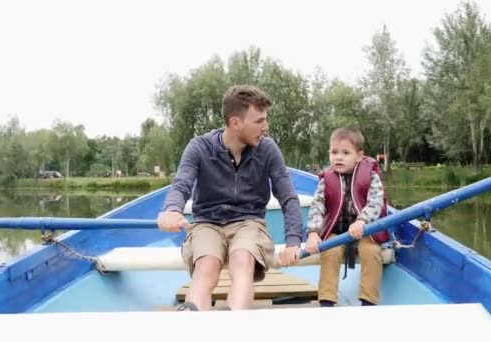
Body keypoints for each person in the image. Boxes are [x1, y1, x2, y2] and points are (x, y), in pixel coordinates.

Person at [157, 85, 303, 311]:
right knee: (206, 265)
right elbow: (182, 184)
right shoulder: (200, 147)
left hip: (249, 222)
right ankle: (191, 318)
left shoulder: (268, 149)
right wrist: (172, 210)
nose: (266, 127)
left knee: (242, 259)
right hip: (207, 223)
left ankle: (235, 322)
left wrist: (294, 240)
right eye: (259, 121)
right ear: (235, 123)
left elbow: (288, 197)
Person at [305, 128, 389, 307]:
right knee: (330, 252)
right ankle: (327, 301)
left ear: (359, 156)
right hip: (337, 231)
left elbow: (376, 202)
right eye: (334, 152)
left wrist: (362, 221)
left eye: (345, 153)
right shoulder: (326, 179)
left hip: (366, 231)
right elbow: (316, 207)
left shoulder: (370, 176)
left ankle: (368, 302)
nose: (338, 157)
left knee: (372, 252)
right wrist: (313, 233)